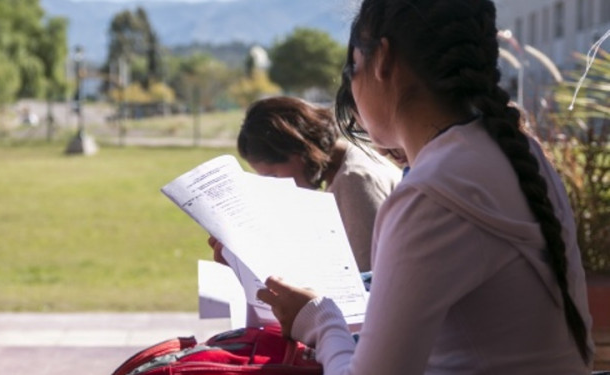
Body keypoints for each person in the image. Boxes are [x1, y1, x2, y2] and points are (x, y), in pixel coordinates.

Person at [256, 0, 595, 373]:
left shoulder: (433, 194)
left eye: (352, 65)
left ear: (382, 60)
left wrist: (318, 318)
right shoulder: (514, 151)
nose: (350, 86)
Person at [210, 96, 400, 274]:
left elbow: (365, 277)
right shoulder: (345, 166)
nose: (276, 187)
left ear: (297, 151)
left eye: (273, 175)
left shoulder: (354, 181)